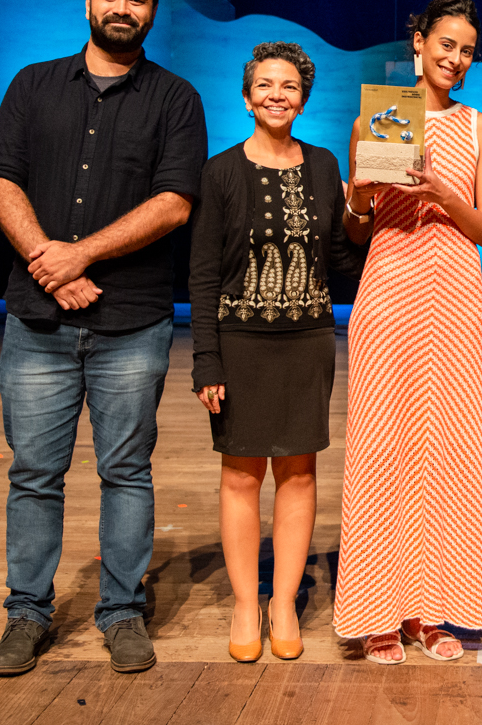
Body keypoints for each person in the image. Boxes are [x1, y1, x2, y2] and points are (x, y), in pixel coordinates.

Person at [0, 0, 208, 677]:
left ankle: (121, 611)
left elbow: (175, 203)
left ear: (153, 10)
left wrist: (78, 257)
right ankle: (27, 612)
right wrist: (49, 262)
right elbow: (0, 181)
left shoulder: (176, 98)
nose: (122, 8)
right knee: (34, 473)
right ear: (87, 2)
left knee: (126, 472)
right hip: (38, 321)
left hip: (131, 323)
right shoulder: (32, 84)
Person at [332, 0, 482, 665]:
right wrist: (360, 192)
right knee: (381, 450)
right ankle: (378, 610)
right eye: (446, 44)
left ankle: (435, 610)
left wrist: (444, 195)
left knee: (450, 453)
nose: (455, 59)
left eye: (467, 50)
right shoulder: (376, 116)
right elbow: (356, 229)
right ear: (419, 41)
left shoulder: (480, 127)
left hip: (456, 298)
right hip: (388, 293)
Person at [189, 42, 361, 663]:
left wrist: (375, 221)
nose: (276, 95)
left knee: (298, 472)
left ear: (303, 100)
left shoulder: (323, 165)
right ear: (246, 97)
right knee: (240, 475)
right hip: (240, 343)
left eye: (289, 86)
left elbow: (339, 260)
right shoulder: (220, 171)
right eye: (265, 85)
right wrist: (206, 359)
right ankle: (245, 603)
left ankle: (283, 602)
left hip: (307, 342)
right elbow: (203, 274)